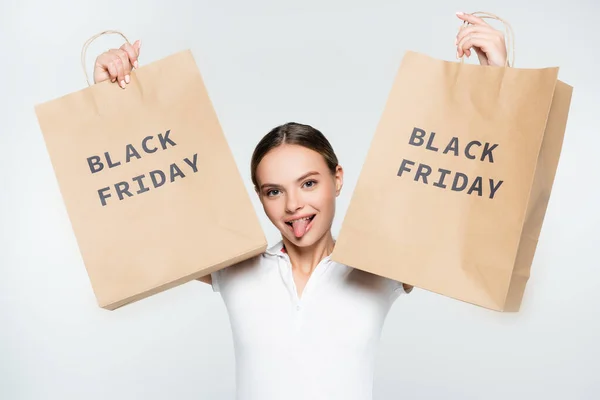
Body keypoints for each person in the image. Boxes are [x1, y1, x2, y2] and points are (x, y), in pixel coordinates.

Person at [92, 12, 508, 400]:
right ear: (259, 196)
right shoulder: (233, 265)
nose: (294, 205)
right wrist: (110, 99)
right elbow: (145, 209)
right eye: (274, 191)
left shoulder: (381, 266)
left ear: (337, 179)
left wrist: (497, 81)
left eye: (308, 183)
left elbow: (463, 199)